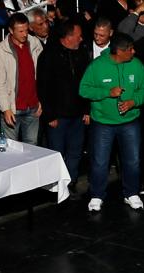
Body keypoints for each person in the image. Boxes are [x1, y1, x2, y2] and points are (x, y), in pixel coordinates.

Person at [79, 32, 144, 212]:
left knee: (132, 160)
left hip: (130, 122)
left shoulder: (137, 66)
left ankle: (132, 193)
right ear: (118, 51)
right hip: (103, 123)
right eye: (130, 49)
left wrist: (134, 102)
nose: (133, 52)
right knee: (100, 161)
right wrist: (107, 92)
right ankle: (96, 195)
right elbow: (84, 90)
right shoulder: (97, 66)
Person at [38, 20, 91, 187]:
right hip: (58, 117)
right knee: (57, 153)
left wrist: (87, 110)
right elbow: (43, 87)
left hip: (78, 115)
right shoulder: (49, 55)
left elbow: (88, 84)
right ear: (68, 37)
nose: (81, 39)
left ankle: (71, 184)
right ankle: (57, 186)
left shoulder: (82, 54)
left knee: (75, 152)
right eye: (78, 36)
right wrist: (49, 115)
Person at [0, 13, 43, 144]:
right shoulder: (1, 50)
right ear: (10, 30)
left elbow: (43, 74)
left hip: (33, 107)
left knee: (32, 148)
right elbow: (0, 83)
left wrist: (41, 100)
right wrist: (5, 108)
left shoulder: (35, 43)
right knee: (10, 149)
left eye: (26, 30)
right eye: (20, 31)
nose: (24, 34)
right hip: (12, 108)